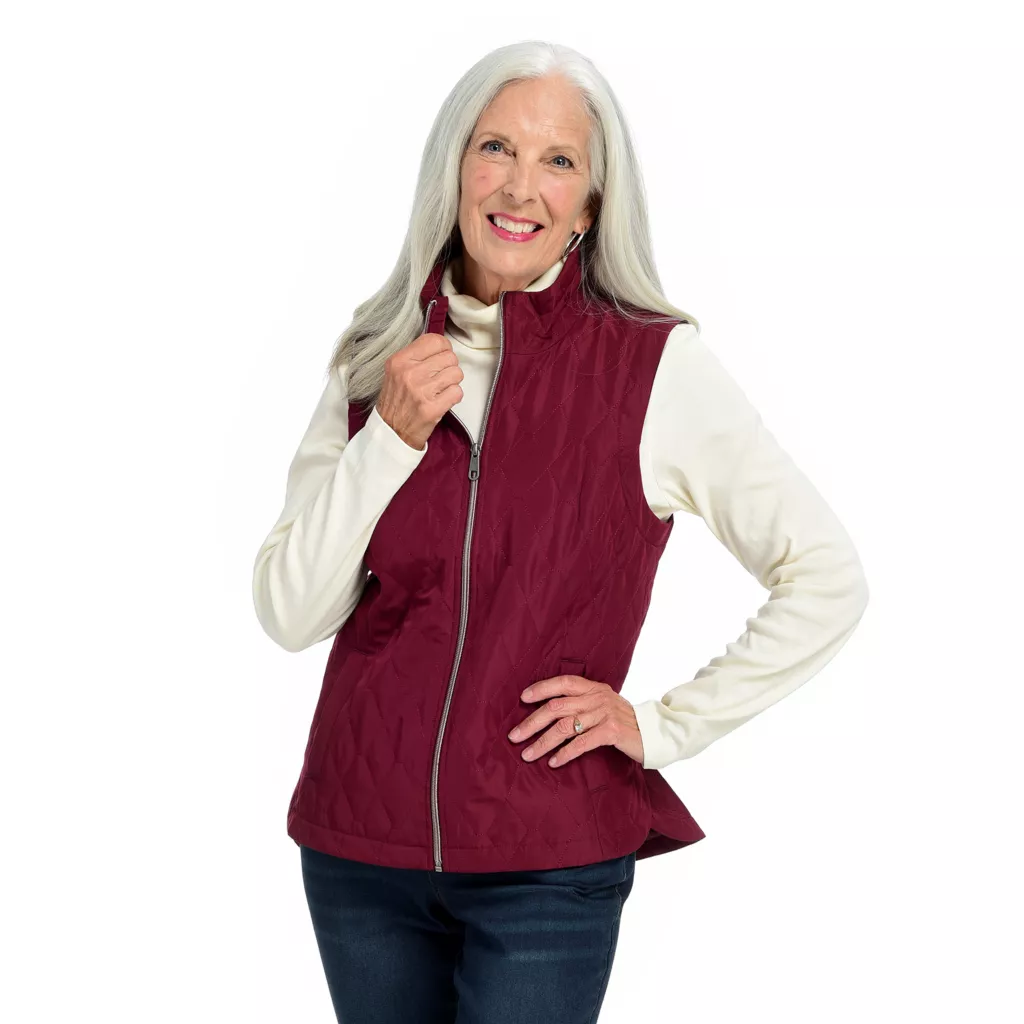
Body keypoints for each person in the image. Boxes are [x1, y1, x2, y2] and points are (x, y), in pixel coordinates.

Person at [252, 39, 869, 1024]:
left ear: (588, 206)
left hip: (546, 865)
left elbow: (826, 576)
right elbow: (291, 612)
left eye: (558, 161)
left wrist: (659, 726)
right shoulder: (377, 357)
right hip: (359, 850)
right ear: (454, 167)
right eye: (496, 147)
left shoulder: (652, 367)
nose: (520, 186)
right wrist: (388, 442)